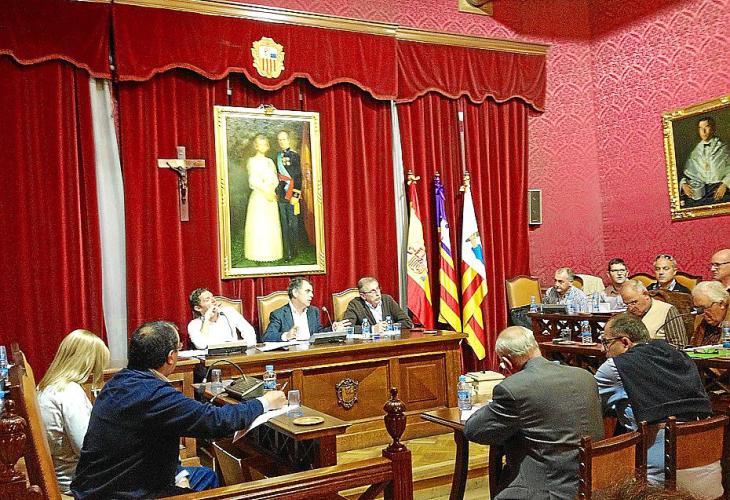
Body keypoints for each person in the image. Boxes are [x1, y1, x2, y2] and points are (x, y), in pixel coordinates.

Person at [72, 321, 285, 498]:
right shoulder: (154, 394)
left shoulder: (116, 382)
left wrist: (178, 473)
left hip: (97, 487)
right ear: (171, 357)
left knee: (205, 476)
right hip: (123, 493)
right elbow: (215, 421)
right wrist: (264, 402)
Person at [464, 326, 603, 499]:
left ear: (506, 362)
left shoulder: (513, 388)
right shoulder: (585, 377)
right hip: (593, 481)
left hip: (547, 490)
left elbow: (474, 430)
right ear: (536, 346)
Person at [595, 313, 714, 495]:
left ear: (625, 342)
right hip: (706, 460)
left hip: (658, 474)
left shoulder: (615, 367)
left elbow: (590, 403)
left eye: (606, 342)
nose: (603, 349)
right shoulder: (680, 355)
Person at [36, 330, 110, 494]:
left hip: (60, 477)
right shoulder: (69, 392)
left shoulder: (45, 387)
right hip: (77, 483)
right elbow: (87, 448)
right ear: (87, 363)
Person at [263, 277, 351, 342]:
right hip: (292, 355)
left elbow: (318, 333)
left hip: (312, 352)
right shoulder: (279, 314)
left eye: (312, 292)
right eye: (307, 291)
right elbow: (267, 336)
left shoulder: (313, 311)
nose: (312, 295)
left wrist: (333, 329)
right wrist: (287, 335)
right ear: (295, 293)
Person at [244, 134, 283, 262]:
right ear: (256, 146)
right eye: (260, 144)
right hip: (259, 196)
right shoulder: (252, 161)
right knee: (259, 224)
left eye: (265, 144)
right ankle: (257, 254)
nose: (263, 146)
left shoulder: (270, 161)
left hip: (270, 195)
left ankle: (272, 253)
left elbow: (275, 178)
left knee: (270, 224)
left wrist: (271, 189)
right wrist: (265, 191)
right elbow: (253, 179)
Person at [620, 279, 686, 347]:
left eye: (634, 302)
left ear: (645, 294)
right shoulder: (626, 315)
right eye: (627, 304)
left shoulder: (666, 310)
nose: (630, 308)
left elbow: (679, 344)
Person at [680, 116, 730, 205]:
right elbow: (688, 175)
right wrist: (683, 184)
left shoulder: (724, 148)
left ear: (713, 129)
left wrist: (725, 184)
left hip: (718, 188)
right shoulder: (695, 152)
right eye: (700, 128)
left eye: (706, 127)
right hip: (700, 190)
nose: (703, 131)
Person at [187, 288, 257, 349]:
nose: (213, 300)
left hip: (235, 354)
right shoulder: (193, 325)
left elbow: (248, 331)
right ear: (198, 308)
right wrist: (207, 319)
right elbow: (201, 345)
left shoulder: (229, 312)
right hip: (212, 358)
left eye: (212, 297)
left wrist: (244, 347)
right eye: (207, 299)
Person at [343, 276, 413, 332]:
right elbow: (347, 328)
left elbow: (407, 322)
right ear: (363, 296)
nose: (378, 294)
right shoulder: (355, 304)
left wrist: (388, 327)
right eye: (373, 291)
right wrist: (372, 329)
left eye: (378, 289)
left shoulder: (387, 300)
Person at [275, 130, 303, 261]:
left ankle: (294, 251)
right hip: (281, 194)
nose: (282, 142)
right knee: (284, 224)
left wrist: (296, 196)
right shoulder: (276, 156)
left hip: (291, 194)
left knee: (293, 224)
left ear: (288, 140)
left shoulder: (294, 155)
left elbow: (298, 176)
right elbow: (277, 176)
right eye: (279, 140)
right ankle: (287, 252)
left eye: (284, 139)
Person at [690, 281, 730, 346]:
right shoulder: (699, 320)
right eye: (698, 308)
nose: (702, 313)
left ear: (722, 304)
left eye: (705, 307)